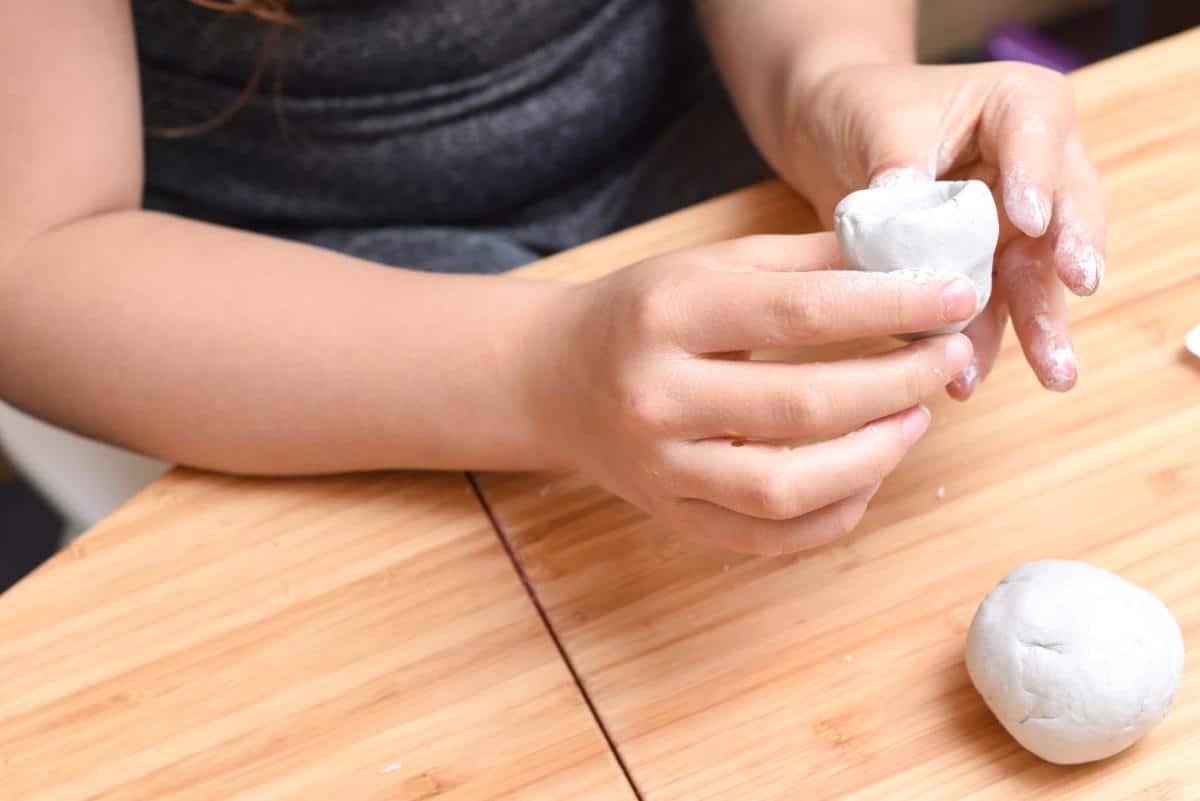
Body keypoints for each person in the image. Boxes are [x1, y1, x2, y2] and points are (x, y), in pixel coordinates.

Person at [0, 0, 1105, 555]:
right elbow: (36, 257)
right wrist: (543, 375)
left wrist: (832, 79)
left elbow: (816, 51)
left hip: (703, 135)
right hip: (299, 317)